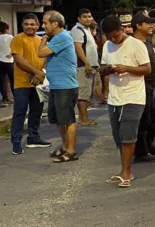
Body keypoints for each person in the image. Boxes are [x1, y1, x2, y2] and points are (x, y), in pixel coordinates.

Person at [100, 15, 152, 188]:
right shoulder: (107, 45)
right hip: (115, 98)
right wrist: (107, 70)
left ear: (122, 29)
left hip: (133, 97)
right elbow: (101, 68)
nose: (114, 39)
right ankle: (124, 169)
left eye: (116, 35)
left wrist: (126, 68)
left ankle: (127, 172)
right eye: (110, 36)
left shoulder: (137, 45)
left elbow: (147, 69)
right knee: (118, 136)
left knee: (128, 136)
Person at [37, 11, 80, 161]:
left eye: (45, 23)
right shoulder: (57, 38)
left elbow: (41, 53)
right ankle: (64, 147)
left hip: (65, 86)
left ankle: (71, 151)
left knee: (67, 119)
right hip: (56, 85)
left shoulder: (62, 37)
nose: (43, 26)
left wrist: (43, 40)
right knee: (57, 119)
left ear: (55, 23)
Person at [10, 13, 51, 154]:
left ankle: (33, 137)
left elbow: (46, 59)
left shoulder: (41, 40)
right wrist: (36, 72)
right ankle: (16, 141)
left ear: (38, 26)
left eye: (32, 24)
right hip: (22, 83)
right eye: (27, 24)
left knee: (37, 111)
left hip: (38, 83)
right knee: (20, 112)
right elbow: (19, 60)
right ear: (22, 25)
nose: (29, 26)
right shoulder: (17, 39)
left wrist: (41, 74)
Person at [131, 12, 155, 162]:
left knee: (152, 117)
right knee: (144, 119)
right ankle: (141, 151)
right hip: (141, 85)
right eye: (147, 23)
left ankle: (149, 145)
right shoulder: (133, 44)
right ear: (138, 26)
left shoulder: (148, 41)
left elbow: (154, 60)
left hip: (151, 84)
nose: (151, 25)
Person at [71, 8, 99, 127]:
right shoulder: (77, 30)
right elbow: (78, 47)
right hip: (83, 66)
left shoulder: (86, 30)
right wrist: (86, 62)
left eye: (89, 16)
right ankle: (83, 119)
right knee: (83, 94)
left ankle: (84, 117)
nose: (88, 19)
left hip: (89, 65)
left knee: (86, 93)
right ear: (79, 19)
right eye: (85, 17)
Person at [0, 22, 15, 103]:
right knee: (12, 80)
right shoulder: (10, 37)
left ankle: (4, 98)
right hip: (9, 60)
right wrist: (11, 54)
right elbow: (15, 46)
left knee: (1, 80)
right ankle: (15, 96)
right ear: (6, 29)